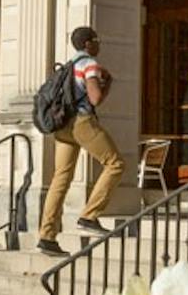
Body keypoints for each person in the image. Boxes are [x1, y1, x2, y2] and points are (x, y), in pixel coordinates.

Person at [38, 26, 125, 256]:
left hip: (62, 125)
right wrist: (108, 84)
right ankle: (89, 215)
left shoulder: (69, 65)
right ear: (87, 43)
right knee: (115, 164)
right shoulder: (89, 64)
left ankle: (47, 236)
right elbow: (95, 98)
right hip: (81, 122)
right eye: (97, 40)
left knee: (61, 177)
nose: (99, 44)